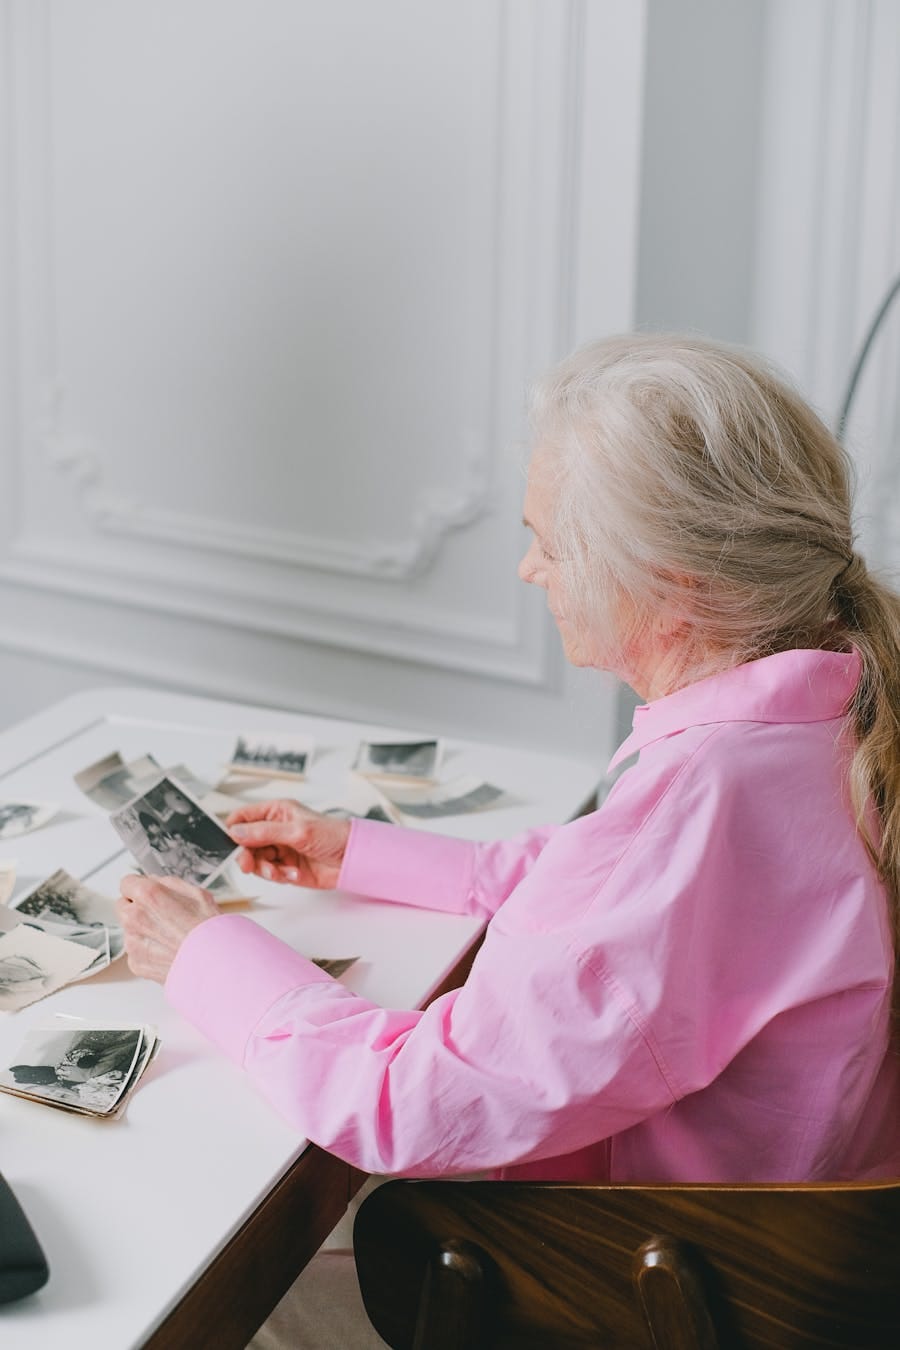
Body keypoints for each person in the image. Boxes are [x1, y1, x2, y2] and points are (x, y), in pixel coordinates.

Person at [119, 334, 900, 1338]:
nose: (530, 568)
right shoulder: (823, 710)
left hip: (656, 1289)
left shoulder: (695, 805)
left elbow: (404, 1104)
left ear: (673, 589)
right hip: (795, 1264)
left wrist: (204, 952)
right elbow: (618, 895)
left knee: (200, 1293)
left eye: (551, 541)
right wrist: (363, 853)